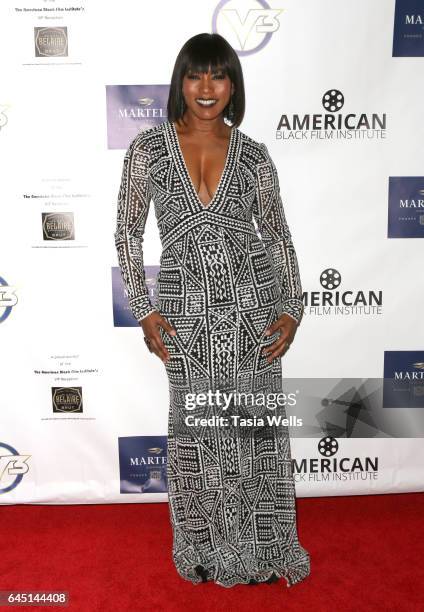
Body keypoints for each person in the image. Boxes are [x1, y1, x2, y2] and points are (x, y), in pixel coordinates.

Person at [114, 33, 310, 588]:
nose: (206, 88)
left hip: (252, 313)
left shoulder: (254, 155)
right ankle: (203, 548)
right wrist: (145, 310)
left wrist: (291, 309)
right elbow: (128, 234)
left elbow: (276, 236)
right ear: (180, 82)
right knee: (197, 436)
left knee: (254, 436)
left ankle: (265, 549)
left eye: (218, 76)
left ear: (232, 84)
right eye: (196, 75)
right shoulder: (148, 150)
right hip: (186, 318)